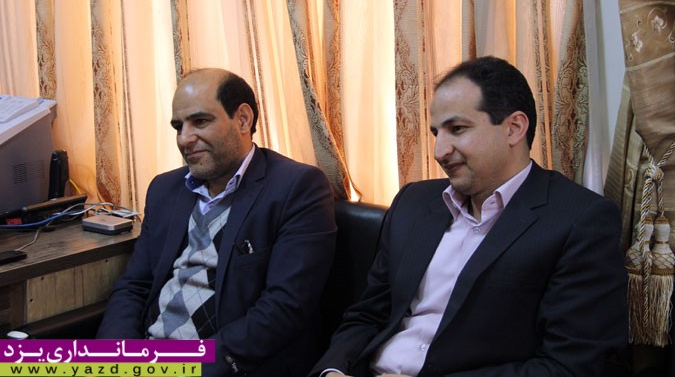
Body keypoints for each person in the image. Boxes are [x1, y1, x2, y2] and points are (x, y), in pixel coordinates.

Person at [311, 56, 627, 377]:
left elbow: (570, 366)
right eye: (436, 132)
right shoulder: (414, 203)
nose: (439, 151)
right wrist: (333, 370)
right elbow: (367, 315)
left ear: (514, 128)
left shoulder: (580, 220)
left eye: (458, 129)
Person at [97, 68, 337, 377]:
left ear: (243, 120)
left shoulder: (296, 188)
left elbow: (284, 309)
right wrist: (115, 359)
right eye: (178, 127)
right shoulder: (165, 189)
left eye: (200, 121)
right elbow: (134, 286)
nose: (185, 139)